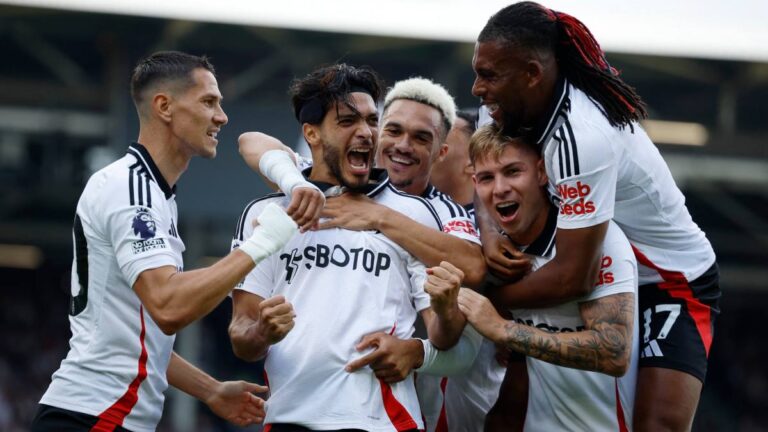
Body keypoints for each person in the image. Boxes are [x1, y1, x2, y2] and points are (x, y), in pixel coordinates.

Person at [471, 3, 721, 430]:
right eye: (478, 72)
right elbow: (483, 173)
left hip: (667, 279)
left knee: (657, 425)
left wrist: (483, 304)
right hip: (584, 257)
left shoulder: (581, 135)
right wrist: (490, 232)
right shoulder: (502, 107)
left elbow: (574, 278)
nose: (477, 88)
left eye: (489, 75)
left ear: (532, 74)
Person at [32, 51, 298, 432]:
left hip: (98, 415)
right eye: (209, 102)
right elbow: (168, 307)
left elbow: (137, 334)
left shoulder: (153, 194)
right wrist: (259, 245)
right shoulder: (132, 189)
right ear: (164, 107)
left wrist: (210, 390)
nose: (221, 116)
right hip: (94, 417)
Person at [228, 64, 466, 431]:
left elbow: (443, 336)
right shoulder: (267, 212)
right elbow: (242, 337)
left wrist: (447, 309)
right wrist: (263, 330)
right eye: (348, 121)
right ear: (312, 133)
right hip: (289, 419)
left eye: (373, 120)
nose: (367, 133)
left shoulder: (413, 212)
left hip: (382, 421)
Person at [460, 124, 639, 431]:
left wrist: (504, 330)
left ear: (542, 173)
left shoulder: (596, 241)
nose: (500, 188)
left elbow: (614, 353)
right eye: (487, 178)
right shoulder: (493, 252)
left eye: (513, 172)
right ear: (475, 183)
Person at [240, 78, 486, 288]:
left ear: (440, 152)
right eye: (393, 131)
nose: (403, 146)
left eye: (421, 138)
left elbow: (473, 268)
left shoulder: (442, 209)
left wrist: (381, 217)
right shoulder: (326, 180)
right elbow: (251, 141)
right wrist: (294, 184)